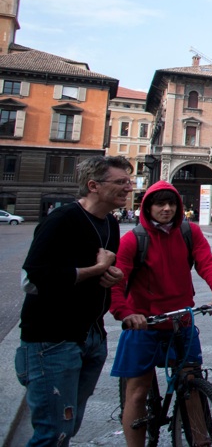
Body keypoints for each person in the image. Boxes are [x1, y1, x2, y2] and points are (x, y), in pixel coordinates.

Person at [16, 156, 130, 447]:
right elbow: (35, 277)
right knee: (52, 433)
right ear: (93, 186)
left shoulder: (111, 225)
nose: (128, 187)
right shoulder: (61, 220)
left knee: (68, 426)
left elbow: (100, 271)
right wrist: (96, 269)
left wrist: (111, 275)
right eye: (120, 182)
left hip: (90, 335)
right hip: (52, 338)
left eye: (128, 181)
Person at [110, 181, 212, 447]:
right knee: (138, 391)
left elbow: (206, 262)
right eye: (159, 204)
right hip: (145, 323)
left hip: (181, 320)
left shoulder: (189, 232)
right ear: (148, 207)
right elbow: (118, 281)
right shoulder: (133, 239)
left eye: (172, 204)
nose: (166, 209)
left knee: (191, 383)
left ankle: (200, 441)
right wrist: (125, 312)